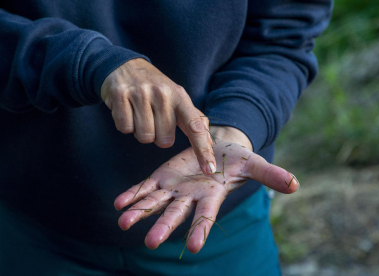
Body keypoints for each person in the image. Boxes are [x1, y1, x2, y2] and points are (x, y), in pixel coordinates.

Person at [0, 1, 332, 275]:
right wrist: (83, 62)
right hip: (35, 226)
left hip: (218, 227)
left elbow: (284, 34)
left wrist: (236, 125)